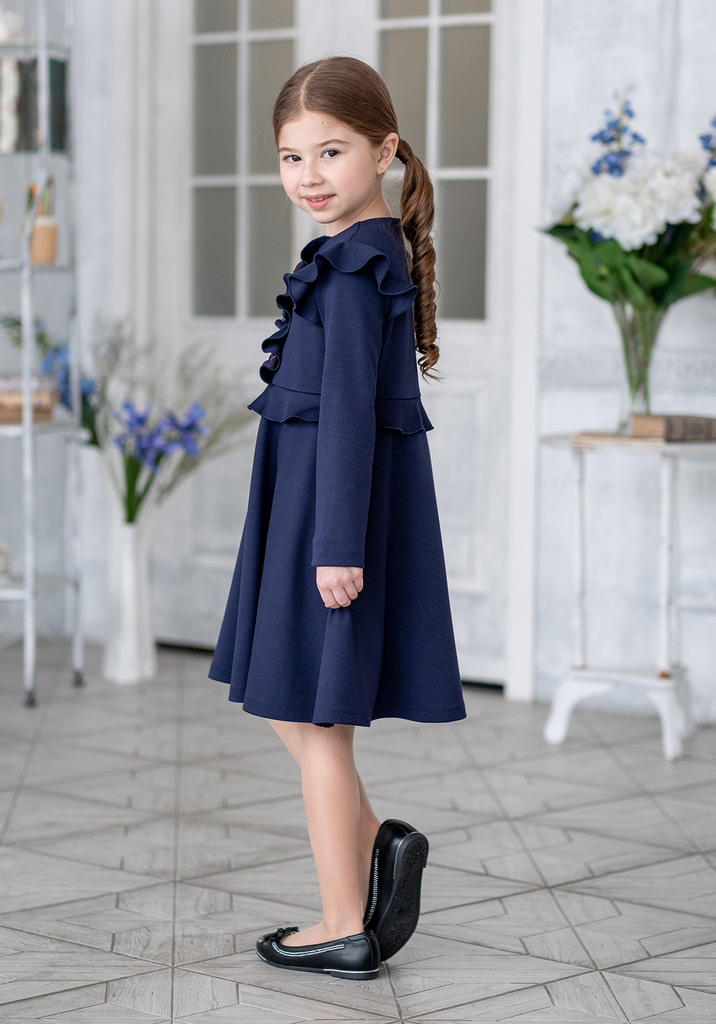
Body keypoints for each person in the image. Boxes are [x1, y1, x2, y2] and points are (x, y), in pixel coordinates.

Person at [209, 55, 467, 982]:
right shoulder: (350, 253)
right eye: (291, 157)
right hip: (308, 510)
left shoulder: (356, 267)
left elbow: (352, 414)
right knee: (289, 702)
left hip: (327, 518)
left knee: (318, 726)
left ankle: (339, 924)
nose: (309, 175)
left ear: (383, 151)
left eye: (331, 151)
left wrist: (334, 548)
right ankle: (379, 849)